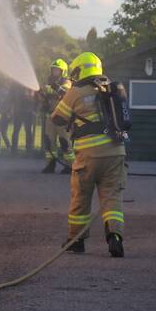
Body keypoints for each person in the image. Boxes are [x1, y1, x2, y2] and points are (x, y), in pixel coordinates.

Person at [51, 52, 127, 257]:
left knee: (81, 196)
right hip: (116, 153)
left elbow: (57, 118)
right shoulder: (110, 88)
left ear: (80, 69)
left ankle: (76, 241)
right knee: (112, 197)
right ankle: (115, 237)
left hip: (89, 155)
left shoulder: (75, 91)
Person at [40, 58, 75, 174]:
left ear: (63, 71)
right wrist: (43, 100)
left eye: (57, 70)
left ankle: (70, 166)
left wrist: (50, 88)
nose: (54, 72)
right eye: (53, 70)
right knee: (49, 141)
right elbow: (46, 97)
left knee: (64, 141)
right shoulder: (50, 83)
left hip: (63, 118)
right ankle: (50, 164)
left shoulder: (67, 82)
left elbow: (64, 93)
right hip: (51, 117)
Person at [10, 84, 37, 152]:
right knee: (16, 130)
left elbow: (34, 99)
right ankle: (14, 149)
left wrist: (29, 98)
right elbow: (12, 98)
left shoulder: (30, 87)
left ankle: (28, 149)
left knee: (28, 131)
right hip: (18, 111)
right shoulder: (16, 87)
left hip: (28, 112)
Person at [0, 83, 13, 152]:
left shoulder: (4, 93)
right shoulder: (4, 93)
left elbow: (4, 107)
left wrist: (4, 111)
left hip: (6, 115)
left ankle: (0, 148)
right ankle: (8, 148)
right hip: (5, 115)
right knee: (2, 132)